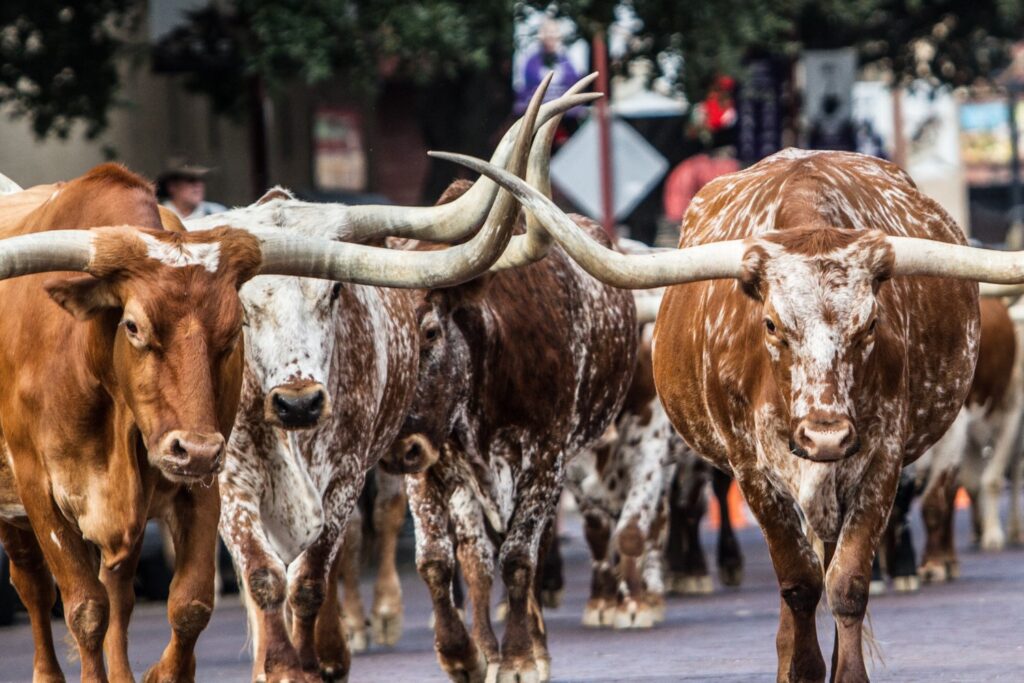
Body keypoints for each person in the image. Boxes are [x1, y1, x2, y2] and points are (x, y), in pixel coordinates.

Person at [514, 17, 581, 114]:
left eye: (554, 33)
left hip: (564, 118)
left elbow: (574, 91)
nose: (551, 36)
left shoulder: (567, 63)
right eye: (548, 33)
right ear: (541, 36)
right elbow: (524, 93)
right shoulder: (531, 63)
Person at [156, 160, 226, 220]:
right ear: (172, 186)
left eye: (201, 179)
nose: (198, 185)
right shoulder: (157, 217)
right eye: (191, 180)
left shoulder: (219, 214)